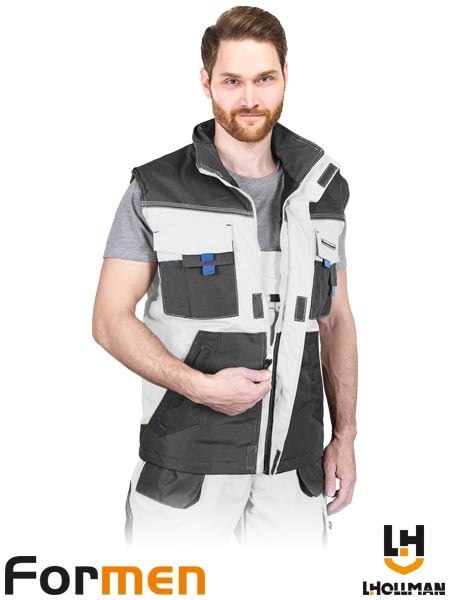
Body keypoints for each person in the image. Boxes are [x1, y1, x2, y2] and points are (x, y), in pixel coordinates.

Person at [92, 5, 358, 550]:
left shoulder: (323, 191)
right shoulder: (157, 189)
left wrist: (345, 436)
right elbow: (109, 320)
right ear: (206, 82)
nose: (250, 98)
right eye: (232, 81)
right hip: (187, 468)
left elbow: (335, 321)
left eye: (264, 79)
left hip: (295, 470)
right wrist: (200, 387)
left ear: (285, 76)